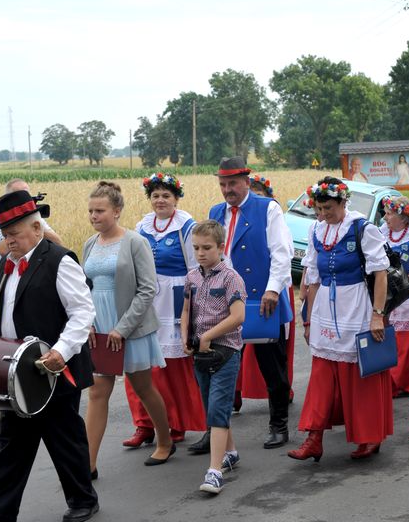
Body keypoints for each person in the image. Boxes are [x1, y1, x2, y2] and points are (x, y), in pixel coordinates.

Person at [0, 190, 99, 522]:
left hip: (56, 370)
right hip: (18, 373)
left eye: (14, 234)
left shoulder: (61, 261)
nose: (8, 241)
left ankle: (83, 500)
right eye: (4, 235)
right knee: (12, 444)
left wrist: (60, 352)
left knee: (65, 440)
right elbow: (6, 316)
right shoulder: (7, 265)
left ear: (36, 227)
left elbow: (82, 312)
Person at [289, 177, 393, 461]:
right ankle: (314, 437)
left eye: (328, 209)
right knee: (322, 375)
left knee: (359, 374)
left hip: (356, 303)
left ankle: (369, 435)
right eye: (319, 209)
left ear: (343, 202)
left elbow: (380, 274)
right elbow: (311, 278)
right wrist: (309, 320)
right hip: (325, 307)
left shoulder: (362, 228)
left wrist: (377, 315)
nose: (322, 214)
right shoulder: (316, 231)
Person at [82, 181, 174, 475]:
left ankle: (165, 439)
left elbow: (148, 289)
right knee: (97, 393)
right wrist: (86, 323)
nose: (94, 216)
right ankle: (88, 464)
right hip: (99, 329)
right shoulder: (89, 244)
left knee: (143, 387)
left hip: (129, 328)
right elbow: (85, 288)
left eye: (100, 211)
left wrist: (122, 328)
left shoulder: (135, 242)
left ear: (117, 211)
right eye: (91, 211)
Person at [206, 157, 294, 450]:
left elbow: (282, 253)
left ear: (246, 181)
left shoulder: (267, 208)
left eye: (232, 183)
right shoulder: (215, 212)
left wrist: (272, 290)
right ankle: (215, 430)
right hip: (226, 303)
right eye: (222, 184)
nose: (227, 189)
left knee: (273, 366)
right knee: (219, 368)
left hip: (262, 299)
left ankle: (278, 424)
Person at [122, 173, 205, 447]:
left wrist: (191, 307)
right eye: (155, 195)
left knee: (172, 367)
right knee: (142, 363)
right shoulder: (142, 227)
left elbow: (196, 269)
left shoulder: (186, 226)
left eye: (166, 195)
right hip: (147, 299)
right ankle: (144, 425)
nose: (160, 200)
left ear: (176, 199)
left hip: (174, 300)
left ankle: (175, 424)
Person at [181, 220, 247, 495]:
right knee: (211, 406)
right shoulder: (192, 277)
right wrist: (186, 336)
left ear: (221, 247)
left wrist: (209, 335)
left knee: (218, 408)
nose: (200, 253)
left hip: (225, 351)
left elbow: (238, 316)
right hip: (200, 353)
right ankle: (230, 451)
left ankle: (214, 471)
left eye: (207, 248)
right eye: (196, 248)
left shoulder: (231, 278)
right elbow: (186, 310)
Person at [235, 173, 296, 413]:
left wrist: (272, 289)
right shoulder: (226, 215)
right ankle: (233, 396)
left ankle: (278, 417)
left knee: (271, 356)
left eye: (260, 195)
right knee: (231, 355)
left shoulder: (272, 215)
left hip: (269, 291)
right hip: (238, 295)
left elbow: (282, 256)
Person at [379, 195, 409, 396]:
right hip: (388, 292)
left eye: (389, 214)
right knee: (392, 336)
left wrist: (408, 279)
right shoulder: (381, 233)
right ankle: (393, 381)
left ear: (403, 218)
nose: (385, 218)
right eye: (385, 214)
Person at [0, 177, 62, 279]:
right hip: (6, 274)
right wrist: (26, 226)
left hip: (30, 274)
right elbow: (3, 250)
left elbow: (57, 242)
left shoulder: (34, 216)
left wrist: (33, 223)